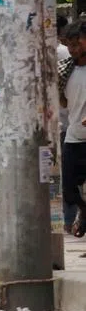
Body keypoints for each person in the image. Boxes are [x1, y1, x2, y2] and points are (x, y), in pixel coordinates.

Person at [59, 25, 86, 237]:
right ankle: (84, 211)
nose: (72, 49)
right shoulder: (65, 70)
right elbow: (64, 100)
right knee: (68, 190)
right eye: (69, 45)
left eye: (77, 44)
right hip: (74, 136)